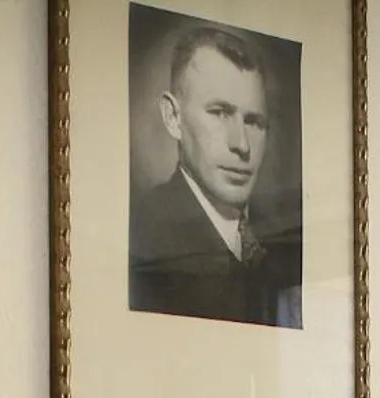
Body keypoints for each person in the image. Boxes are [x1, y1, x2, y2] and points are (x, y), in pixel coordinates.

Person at [129, 25, 301, 329]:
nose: (242, 145)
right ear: (173, 118)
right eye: (220, 113)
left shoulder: (284, 242)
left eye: (254, 121)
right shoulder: (140, 235)